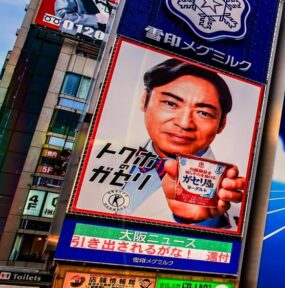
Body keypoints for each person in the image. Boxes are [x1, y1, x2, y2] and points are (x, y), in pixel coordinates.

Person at [83, 58, 248, 229]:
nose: (184, 123)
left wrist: (197, 221)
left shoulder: (230, 191)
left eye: (203, 113)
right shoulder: (99, 156)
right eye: (171, 104)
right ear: (144, 100)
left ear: (221, 124)